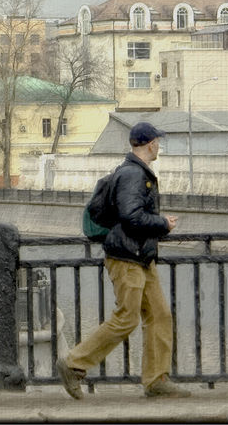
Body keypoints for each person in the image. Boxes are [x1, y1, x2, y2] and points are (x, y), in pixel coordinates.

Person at [57, 122, 191, 399]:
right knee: (126, 318)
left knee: (160, 315)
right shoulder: (132, 174)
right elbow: (131, 216)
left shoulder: (135, 171)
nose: (159, 147)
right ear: (150, 143)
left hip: (141, 257)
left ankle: (156, 380)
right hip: (127, 257)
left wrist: (157, 226)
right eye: (158, 142)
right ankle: (73, 363)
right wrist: (162, 223)